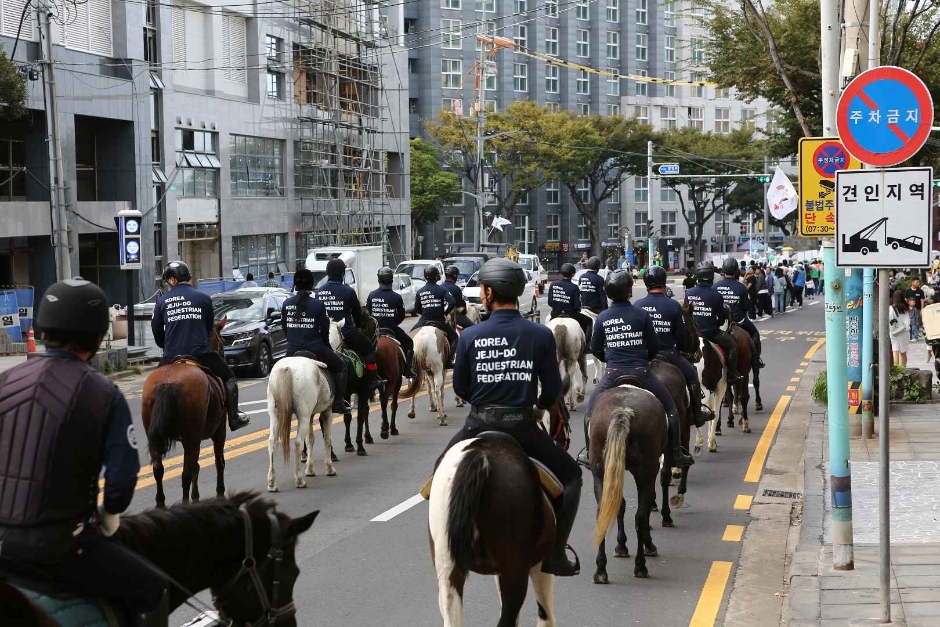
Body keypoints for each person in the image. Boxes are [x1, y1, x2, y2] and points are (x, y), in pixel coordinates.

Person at [0, 279, 168, 626]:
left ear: (41, 331)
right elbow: (120, 485)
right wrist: (108, 512)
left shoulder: (6, 383)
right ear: (97, 337)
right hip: (59, 548)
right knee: (153, 589)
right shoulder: (103, 394)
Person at [445, 258, 582, 577]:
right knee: (572, 476)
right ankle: (556, 554)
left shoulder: (469, 336)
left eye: (482, 289)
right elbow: (551, 391)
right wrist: (535, 407)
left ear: (489, 292)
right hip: (522, 428)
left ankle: (448, 548)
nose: (480, 293)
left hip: (477, 426)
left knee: (440, 475)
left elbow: (462, 387)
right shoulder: (539, 334)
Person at [582, 269, 696, 471]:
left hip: (612, 373)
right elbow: (653, 346)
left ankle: (589, 453)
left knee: (590, 413)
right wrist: (643, 359)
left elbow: (596, 348)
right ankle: (676, 452)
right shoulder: (641, 315)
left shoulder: (602, 317)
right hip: (641, 371)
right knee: (671, 409)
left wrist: (610, 360)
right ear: (629, 291)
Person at [152, 261, 250, 431]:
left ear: (173, 280)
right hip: (200, 354)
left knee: (154, 385)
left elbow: (156, 330)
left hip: (171, 355)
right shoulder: (204, 298)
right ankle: (234, 417)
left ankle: (154, 420)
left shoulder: (161, 301)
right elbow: (208, 329)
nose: (168, 284)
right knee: (229, 376)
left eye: (168, 280)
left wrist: (165, 346)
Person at [635, 266, 715, 428]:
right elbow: (681, 336)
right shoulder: (673, 305)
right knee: (692, 376)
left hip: (643, 356)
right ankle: (698, 414)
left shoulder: (638, 304)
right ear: (664, 282)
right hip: (668, 353)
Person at [283, 269, 350, 414]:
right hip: (315, 348)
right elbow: (324, 331)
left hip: (291, 350)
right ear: (311, 285)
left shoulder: (286, 303)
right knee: (342, 367)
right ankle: (338, 402)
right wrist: (327, 348)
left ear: (295, 284)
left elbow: (285, 329)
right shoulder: (318, 305)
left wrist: (294, 341)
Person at [316, 258, 383, 395]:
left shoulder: (319, 291)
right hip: (345, 331)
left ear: (328, 273)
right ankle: (372, 381)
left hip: (324, 333)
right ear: (342, 274)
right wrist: (359, 326)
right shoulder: (348, 291)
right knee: (368, 349)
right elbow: (357, 315)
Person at [685, 262, 744, 384]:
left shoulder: (689, 293)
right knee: (732, 346)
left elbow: (687, 314)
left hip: (694, 334)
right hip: (711, 333)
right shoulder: (716, 296)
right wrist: (716, 324)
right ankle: (732, 375)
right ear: (711, 277)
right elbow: (722, 318)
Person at [367, 267, 417, 378]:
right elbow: (401, 315)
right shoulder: (397, 297)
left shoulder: (372, 295)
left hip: (375, 329)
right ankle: (407, 370)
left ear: (378, 279)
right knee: (409, 343)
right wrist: (393, 323)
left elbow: (369, 314)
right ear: (391, 280)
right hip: (391, 328)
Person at [714, 258, 764, 369]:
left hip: (720, 321)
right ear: (736, 270)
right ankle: (756, 359)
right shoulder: (741, 287)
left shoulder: (716, 286)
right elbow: (747, 305)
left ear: (724, 270)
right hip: (739, 319)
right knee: (755, 333)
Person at [412, 265, 458, 359]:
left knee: (410, 337)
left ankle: (410, 363)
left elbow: (416, 309)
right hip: (440, 321)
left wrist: (425, 311)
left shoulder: (420, 291)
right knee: (455, 337)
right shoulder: (442, 289)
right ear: (437, 277)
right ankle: (449, 359)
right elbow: (452, 302)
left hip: (424, 320)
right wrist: (445, 313)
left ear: (425, 277)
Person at [548, 262, 595, 345]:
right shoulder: (574, 287)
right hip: (571, 315)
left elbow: (550, 303)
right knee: (589, 321)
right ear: (573, 274)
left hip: (555, 314)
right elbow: (576, 307)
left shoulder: (553, 284)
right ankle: (587, 345)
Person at [889, 290, 911, 366]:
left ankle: (897, 371)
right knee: (903, 353)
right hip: (905, 332)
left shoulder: (891, 308)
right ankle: (903, 370)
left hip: (895, 331)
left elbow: (890, 319)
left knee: (895, 352)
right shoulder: (906, 308)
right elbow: (908, 320)